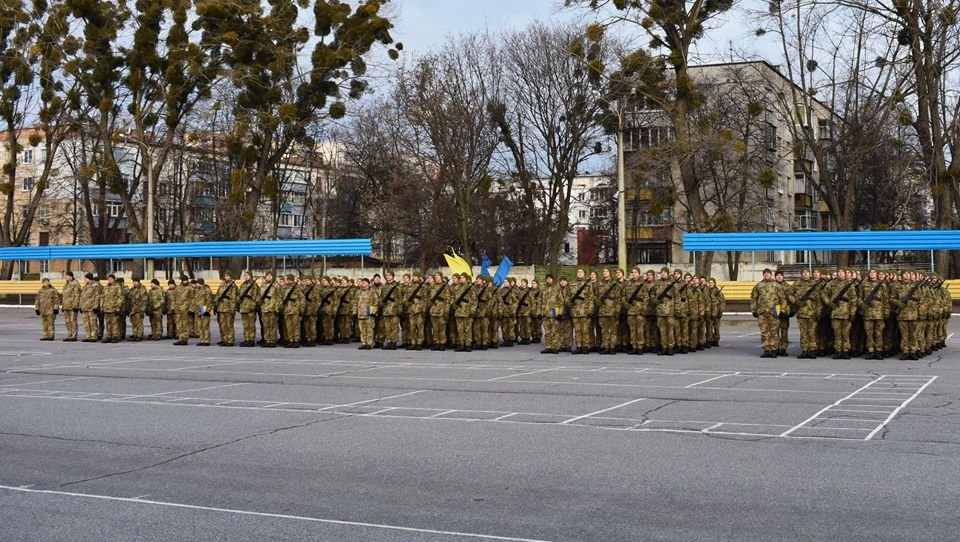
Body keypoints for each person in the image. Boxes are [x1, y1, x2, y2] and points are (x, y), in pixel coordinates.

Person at [750, 268, 786, 358]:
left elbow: (783, 299)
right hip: (762, 312)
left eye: (768, 273)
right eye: (765, 273)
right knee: (764, 332)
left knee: (774, 332)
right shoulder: (759, 286)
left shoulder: (776, 285)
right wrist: (754, 310)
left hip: (773, 312)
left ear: (771, 274)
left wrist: (782, 310)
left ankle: (774, 349)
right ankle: (766, 349)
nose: (766, 275)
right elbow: (753, 298)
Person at [596, 268, 622, 355]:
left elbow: (619, 299)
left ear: (610, 273)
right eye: (603, 271)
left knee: (613, 331)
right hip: (602, 311)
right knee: (604, 331)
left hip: (612, 310)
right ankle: (606, 346)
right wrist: (597, 302)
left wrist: (617, 311)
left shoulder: (615, 284)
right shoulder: (599, 284)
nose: (604, 273)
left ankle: (612, 347)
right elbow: (595, 296)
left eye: (606, 271)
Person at [280, 274, 305, 348]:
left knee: (296, 326)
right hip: (287, 310)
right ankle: (290, 340)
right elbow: (281, 298)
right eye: (286, 279)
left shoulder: (297, 288)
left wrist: (301, 309)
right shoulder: (283, 288)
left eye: (288, 279)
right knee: (289, 327)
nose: (287, 281)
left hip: (295, 310)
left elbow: (302, 299)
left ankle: (296, 340)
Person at [237, 271, 261, 347]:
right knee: (245, 325)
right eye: (245, 275)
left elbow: (257, 297)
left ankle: (251, 340)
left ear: (251, 276)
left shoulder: (254, 285)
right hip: (243, 307)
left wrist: (253, 306)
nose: (246, 277)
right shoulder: (243, 285)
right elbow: (239, 295)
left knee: (251, 325)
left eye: (247, 275)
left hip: (250, 308)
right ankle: (247, 339)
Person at [215, 271, 239, 346]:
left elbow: (233, 299)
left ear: (230, 277)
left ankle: (230, 340)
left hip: (228, 308)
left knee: (229, 325)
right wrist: (216, 305)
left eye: (227, 276)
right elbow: (217, 295)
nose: (226, 277)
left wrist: (232, 309)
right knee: (222, 325)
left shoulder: (233, 286)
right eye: (225, 276)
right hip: (221, 308)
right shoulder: (221, 285)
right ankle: (224, 339)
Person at [356, 278, 379, 349]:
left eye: (365, 282)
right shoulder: (358, 292)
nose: (363, 283)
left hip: (369, 313)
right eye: (362, 282)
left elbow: (376, 302)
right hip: (360, 314)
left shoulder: (372, 292)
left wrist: (373, 312)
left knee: (369, 329)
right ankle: (363, 343)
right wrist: (354, 312)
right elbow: (354, 302)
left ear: (368, 283)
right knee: (362, 330)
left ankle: (369, 343)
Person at [79, 273, 102, 342]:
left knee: (93, 323)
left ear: (89, 278)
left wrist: (96, 306)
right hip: (85, 308)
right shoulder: (85, 287)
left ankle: (94, 336)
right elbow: (82, 297)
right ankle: (88, 336)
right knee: (86, 323)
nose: (84, 280)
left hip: (91, 307)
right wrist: (81, 306)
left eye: (85, 278)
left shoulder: (95, 286)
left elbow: (97, 296)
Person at [172, 276, 194, 346]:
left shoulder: (191, 288)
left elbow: (193, 299)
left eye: (186, 280)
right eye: (183, 280)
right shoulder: (178, 288)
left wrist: (191, 309)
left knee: (185, 324)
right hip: (178, 309)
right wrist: (173, 307)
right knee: (178, 324)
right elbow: (174, 298)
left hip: (186, 309)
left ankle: (184, 339)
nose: (185, 281)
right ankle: (180, 338)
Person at [61, 271, 81, 342]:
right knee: (67, 322)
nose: (65, 277)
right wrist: (63, 306)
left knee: (73, 321)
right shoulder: (66, 285)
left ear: (71, 276)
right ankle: (69, 334)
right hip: (66, 306)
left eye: (66, 276)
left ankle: (73, 336)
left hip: (72, 306)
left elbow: (77, 295)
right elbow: (64, 297)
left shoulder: (75, 284)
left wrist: (76, 306)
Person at [194, 278, 215, 346]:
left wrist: (208, 311)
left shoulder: (207, 290)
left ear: (200, 283)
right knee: (200, 326)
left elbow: (210, 301)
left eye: (197, 283)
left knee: (205, 325)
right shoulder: (197, 290)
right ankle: (202, 339)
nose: (196, 284)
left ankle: (206, 340)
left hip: (204, 308)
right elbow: (195, 300)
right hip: (198, 309)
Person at [127, 277, 147, 341]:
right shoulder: (132, 290)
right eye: (133, 282)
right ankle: (135, 334)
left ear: (138, 282)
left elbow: (145, 300)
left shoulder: (142, 289)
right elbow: (129, 300)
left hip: (139, 309)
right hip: (133, 310)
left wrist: (142, 310)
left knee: (139, 323)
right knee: (134, 323)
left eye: (136, 281)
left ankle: (139, 335)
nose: (134, 283)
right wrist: (128, 309)